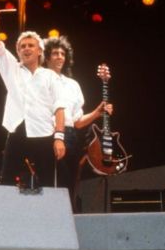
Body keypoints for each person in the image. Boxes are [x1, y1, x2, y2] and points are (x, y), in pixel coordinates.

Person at [0, 7, 67, 188]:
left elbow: (59, 107)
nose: (26, 48)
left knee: (47, 184)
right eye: (22, 46)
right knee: (6, 181)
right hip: (17, 128)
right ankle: (5, 215)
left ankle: (47, 215)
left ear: (39, 51)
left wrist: (59, 138)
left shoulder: (50, 76)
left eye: (30, 45)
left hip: (44, 132)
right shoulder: (12, 69)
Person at [43, 35, 113, 210]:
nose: (59, 56)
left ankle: (66, 221)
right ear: (46, 57)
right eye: (55, 53)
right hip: (49, 133)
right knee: (51, 183)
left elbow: (78, 123)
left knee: (69, 184)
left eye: (62, 53)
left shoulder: (72, 85)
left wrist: (97, 112)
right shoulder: (40, 78)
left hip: (71, 136)